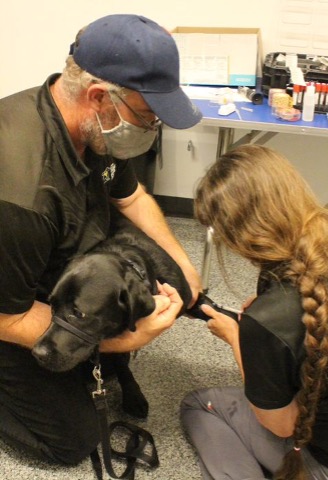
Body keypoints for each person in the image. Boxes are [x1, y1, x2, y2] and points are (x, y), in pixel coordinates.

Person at [0, 14, 203, 465]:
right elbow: (7, 319)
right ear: (98, 97)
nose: (152, 129)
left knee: (99, 337)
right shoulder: (22, 194)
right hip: (4, 306)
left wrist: (181, 262)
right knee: (71, 440)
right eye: (148, 115)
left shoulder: (96, 132)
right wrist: (120, 341)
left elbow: (131, 198)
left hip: (44, 263)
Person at [181, 145, 328, 480]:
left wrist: (240, 338)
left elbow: (284, 426)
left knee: (199, 405)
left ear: (237, 239)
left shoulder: (268, 323)